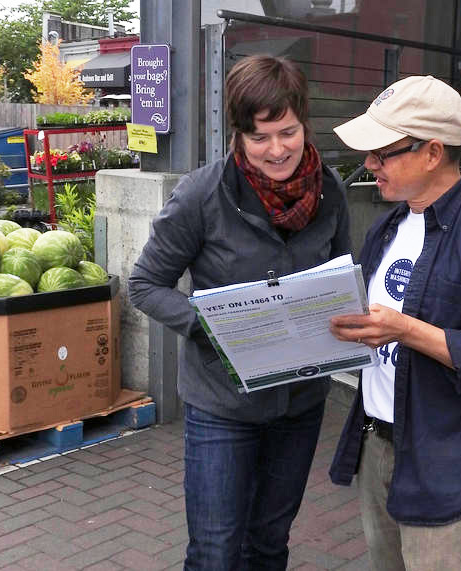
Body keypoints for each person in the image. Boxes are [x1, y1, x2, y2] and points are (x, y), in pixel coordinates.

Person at [128, 55, 351, 570]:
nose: (277, 150)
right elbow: (146, 284)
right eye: (260, 137)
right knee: (215, 551)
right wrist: (215, 327)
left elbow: (340, 275)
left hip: (299, 403)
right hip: (222, 406)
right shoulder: (203, 195)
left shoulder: (331, 192)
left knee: (269, 544)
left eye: (288, 132)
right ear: (239, 136)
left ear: (304, 122)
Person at [327, 75, 461, 570]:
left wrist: (406, 330)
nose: (369, 165)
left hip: (451, 466)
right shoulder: (388, 226)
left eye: (383, 153)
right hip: (378, 445)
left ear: (431, 152)